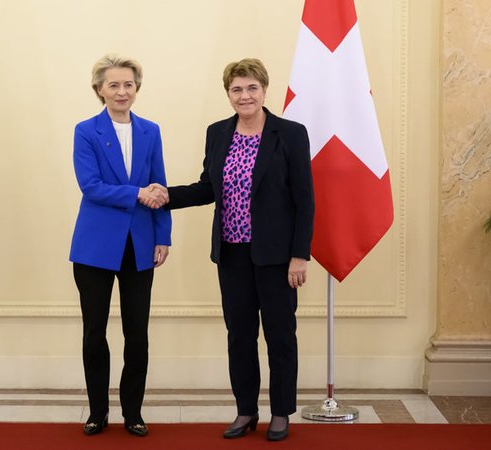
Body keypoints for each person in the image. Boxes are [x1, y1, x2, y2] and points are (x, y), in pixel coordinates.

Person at [160, 58, 314, 442]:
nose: (244, 96)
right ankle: (246, 410)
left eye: (251, 88)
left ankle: (281, 412)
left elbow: (304, 199)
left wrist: (300, 254)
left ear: (264, 90)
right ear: (228, 93)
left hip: (277, 257)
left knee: (280, 336)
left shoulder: (290, 134)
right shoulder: (218, 133)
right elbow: (207, 188)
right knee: (239, 336)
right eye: (236, 89)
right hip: (232, 254)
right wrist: (164, 197)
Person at [69, 54, 171, 437]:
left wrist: (163, 235)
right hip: (95, 246)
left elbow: (160, 187)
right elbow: (90, 186)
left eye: (128, 84)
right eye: (114, 85)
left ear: (136, 88)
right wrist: (137, 193)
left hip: (140, 244)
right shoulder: (86, 131)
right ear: (100, 90)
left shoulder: (151, 131)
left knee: (137, 332)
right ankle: (97, 411)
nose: (122, 91)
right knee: (94, 331)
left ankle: (133, 412)